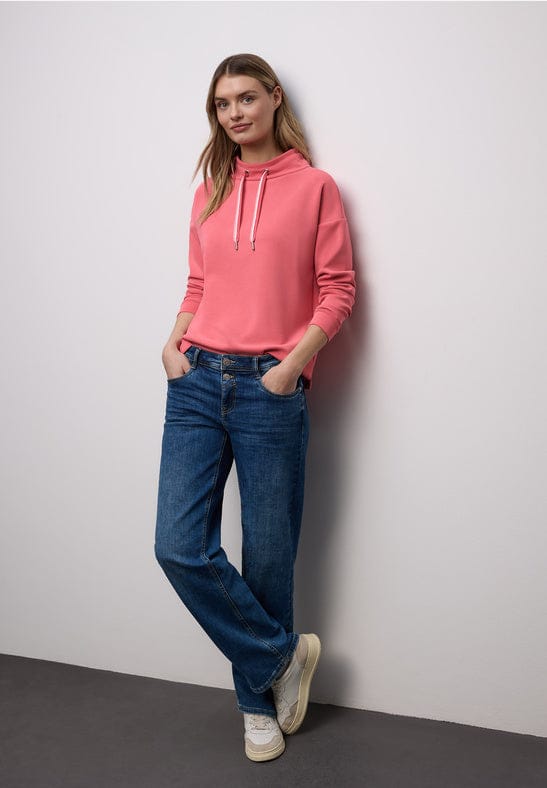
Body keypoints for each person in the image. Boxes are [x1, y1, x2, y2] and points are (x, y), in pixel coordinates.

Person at [154, 52, 356, 763]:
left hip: (270, 386)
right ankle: (282, 658)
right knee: (178, 546)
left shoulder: (315, 187)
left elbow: (337, 290)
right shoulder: (210, 189)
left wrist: (290, 369)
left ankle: (255, 708)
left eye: (245, 98)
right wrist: (172, 344)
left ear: (273, 99)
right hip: (196, 382)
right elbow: (198, 282)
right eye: (222, 103)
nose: (234, 113)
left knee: (267, 557)